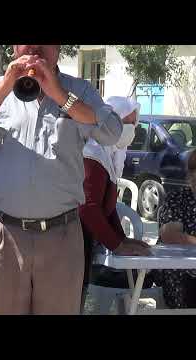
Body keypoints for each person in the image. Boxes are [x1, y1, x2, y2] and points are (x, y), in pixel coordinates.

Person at [0, 45, 123, 315]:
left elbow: (113, 132)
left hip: (62, 238)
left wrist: (60, 96)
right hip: (4, 238)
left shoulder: (79, 91)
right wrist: (6, 86)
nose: (36, 46)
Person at [79, 96, 151, 310]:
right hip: (74, 241)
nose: (130, 129)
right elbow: (88, 208)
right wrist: (117, 245)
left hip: (84, 241)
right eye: (125, 122)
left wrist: (124, 240)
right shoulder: (93, 154)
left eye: (133, 123)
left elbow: (107, 210)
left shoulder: (107, 155)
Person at [151, 150, 196, 308]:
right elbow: (170, 235)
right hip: (182, 277)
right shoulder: (177, 200)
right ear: (190, 176)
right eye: (193, 172)